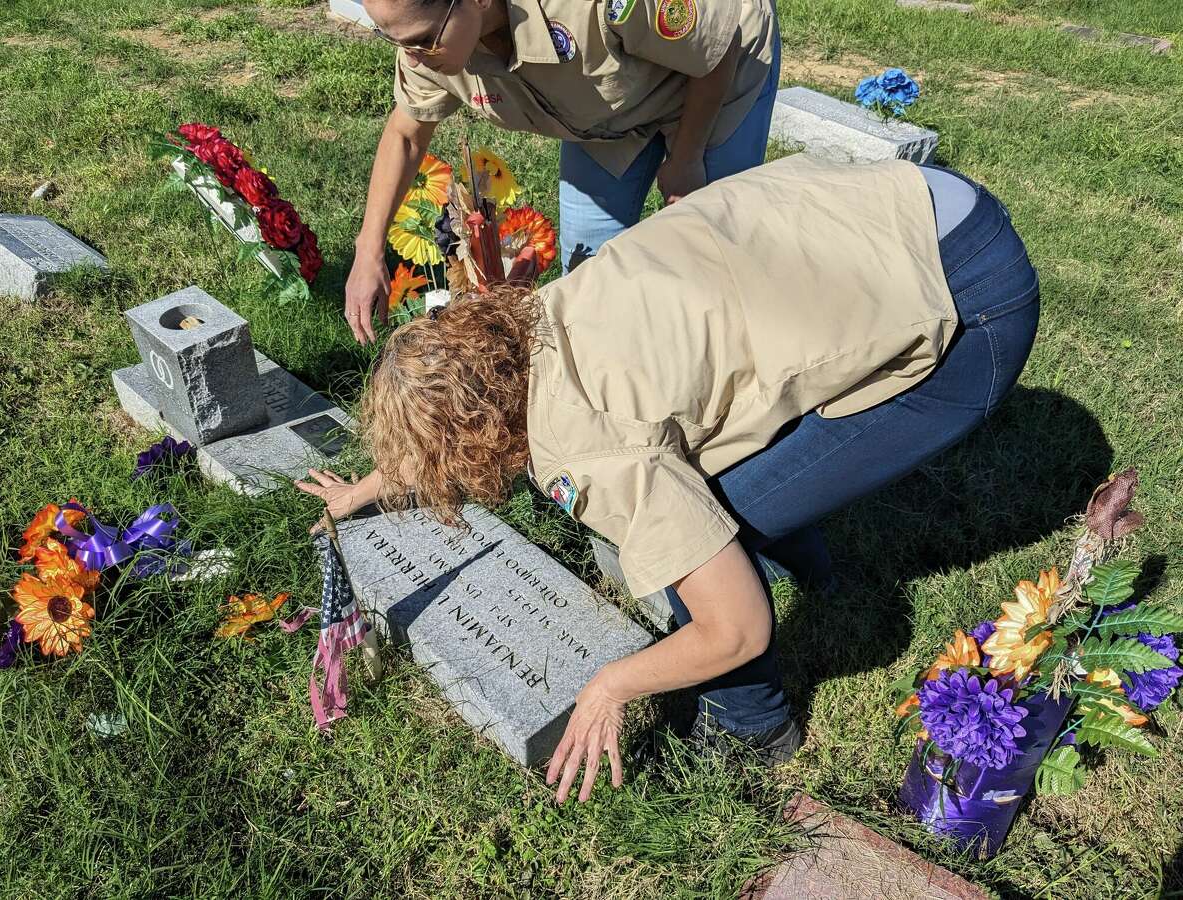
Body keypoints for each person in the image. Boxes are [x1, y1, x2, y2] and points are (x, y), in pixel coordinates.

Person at [298, 154, 1040, 804]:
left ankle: (753, 727)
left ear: (481, 441)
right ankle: (818, 571)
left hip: (971, 308)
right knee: (717, 491)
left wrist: (610, 685)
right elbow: (462, 400)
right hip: (911, 205)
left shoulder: (589, 450)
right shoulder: (537, 317)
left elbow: (736, 627)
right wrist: (364, 490)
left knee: (709, 529)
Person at [343, 0, 779, 343]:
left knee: (713, 267)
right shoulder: (427, 47)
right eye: (393, 39)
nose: (413, 59)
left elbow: (715, 49)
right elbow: (406, 136)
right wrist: (368, 249)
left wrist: (685, 158)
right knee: (588, 281)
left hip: (715, 75)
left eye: (423, 40)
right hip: (604, 114)